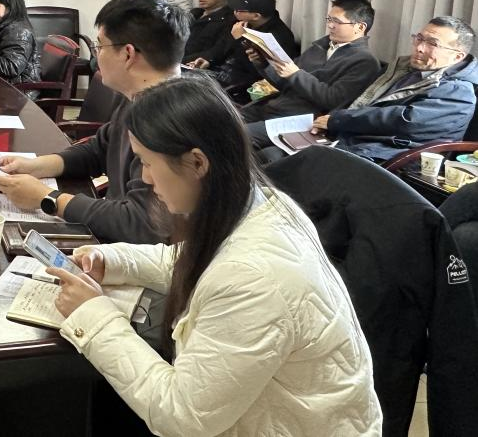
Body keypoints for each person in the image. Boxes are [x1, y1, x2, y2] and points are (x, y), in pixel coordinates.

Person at [45, 77, 382, 437]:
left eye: (147, 162)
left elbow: (181, 418)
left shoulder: (254, 279)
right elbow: (191, 261)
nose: (145, 178)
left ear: (197, 162)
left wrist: (93, 315)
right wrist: (111, 260)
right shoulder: (260, 204)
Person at [0, 0, 188, 243]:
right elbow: (100, 149)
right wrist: (35, 166)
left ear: (127, 54)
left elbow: (141, 223)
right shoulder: (139, 96)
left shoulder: (171, 119)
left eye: (100, 46)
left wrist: (48, 198)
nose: (96, 55)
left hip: (132, 252)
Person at [306, 16, 478, 162]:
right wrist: (328, 122)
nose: (419, 48)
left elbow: (405, 121)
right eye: (419, 38)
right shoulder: (402, 67)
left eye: (433, 44)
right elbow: (361, 98)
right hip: (353, 142)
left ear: (457, 56)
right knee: (294, 150)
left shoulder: (459, 92)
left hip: (391, 157)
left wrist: (337, 120)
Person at [244, 0, 382, 145]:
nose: (330, 25)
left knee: (234, 134)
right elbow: (283, 83)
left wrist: (295, 74)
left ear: (360, 27)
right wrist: (263, 63)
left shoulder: (365, 62)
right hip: (275, 107)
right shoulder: (320, 47)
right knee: (223, 119)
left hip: (301, 121)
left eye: (337, 21)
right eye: (329, 19)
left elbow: (333, 100)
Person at [217, 0, 300, 90]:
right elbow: (222, 45)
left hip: (250, 83)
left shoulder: (277, 37)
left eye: (239, 10)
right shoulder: (244, 22)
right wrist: (208, 58)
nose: (235, 12)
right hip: (226, 69)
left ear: (256, 16)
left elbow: (259, 72)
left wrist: (239, 40)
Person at [183, 0, 236, 67]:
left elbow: (217, 51)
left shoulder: (230, 19)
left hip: (197, 67)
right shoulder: (195, 13)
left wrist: (177, 60)